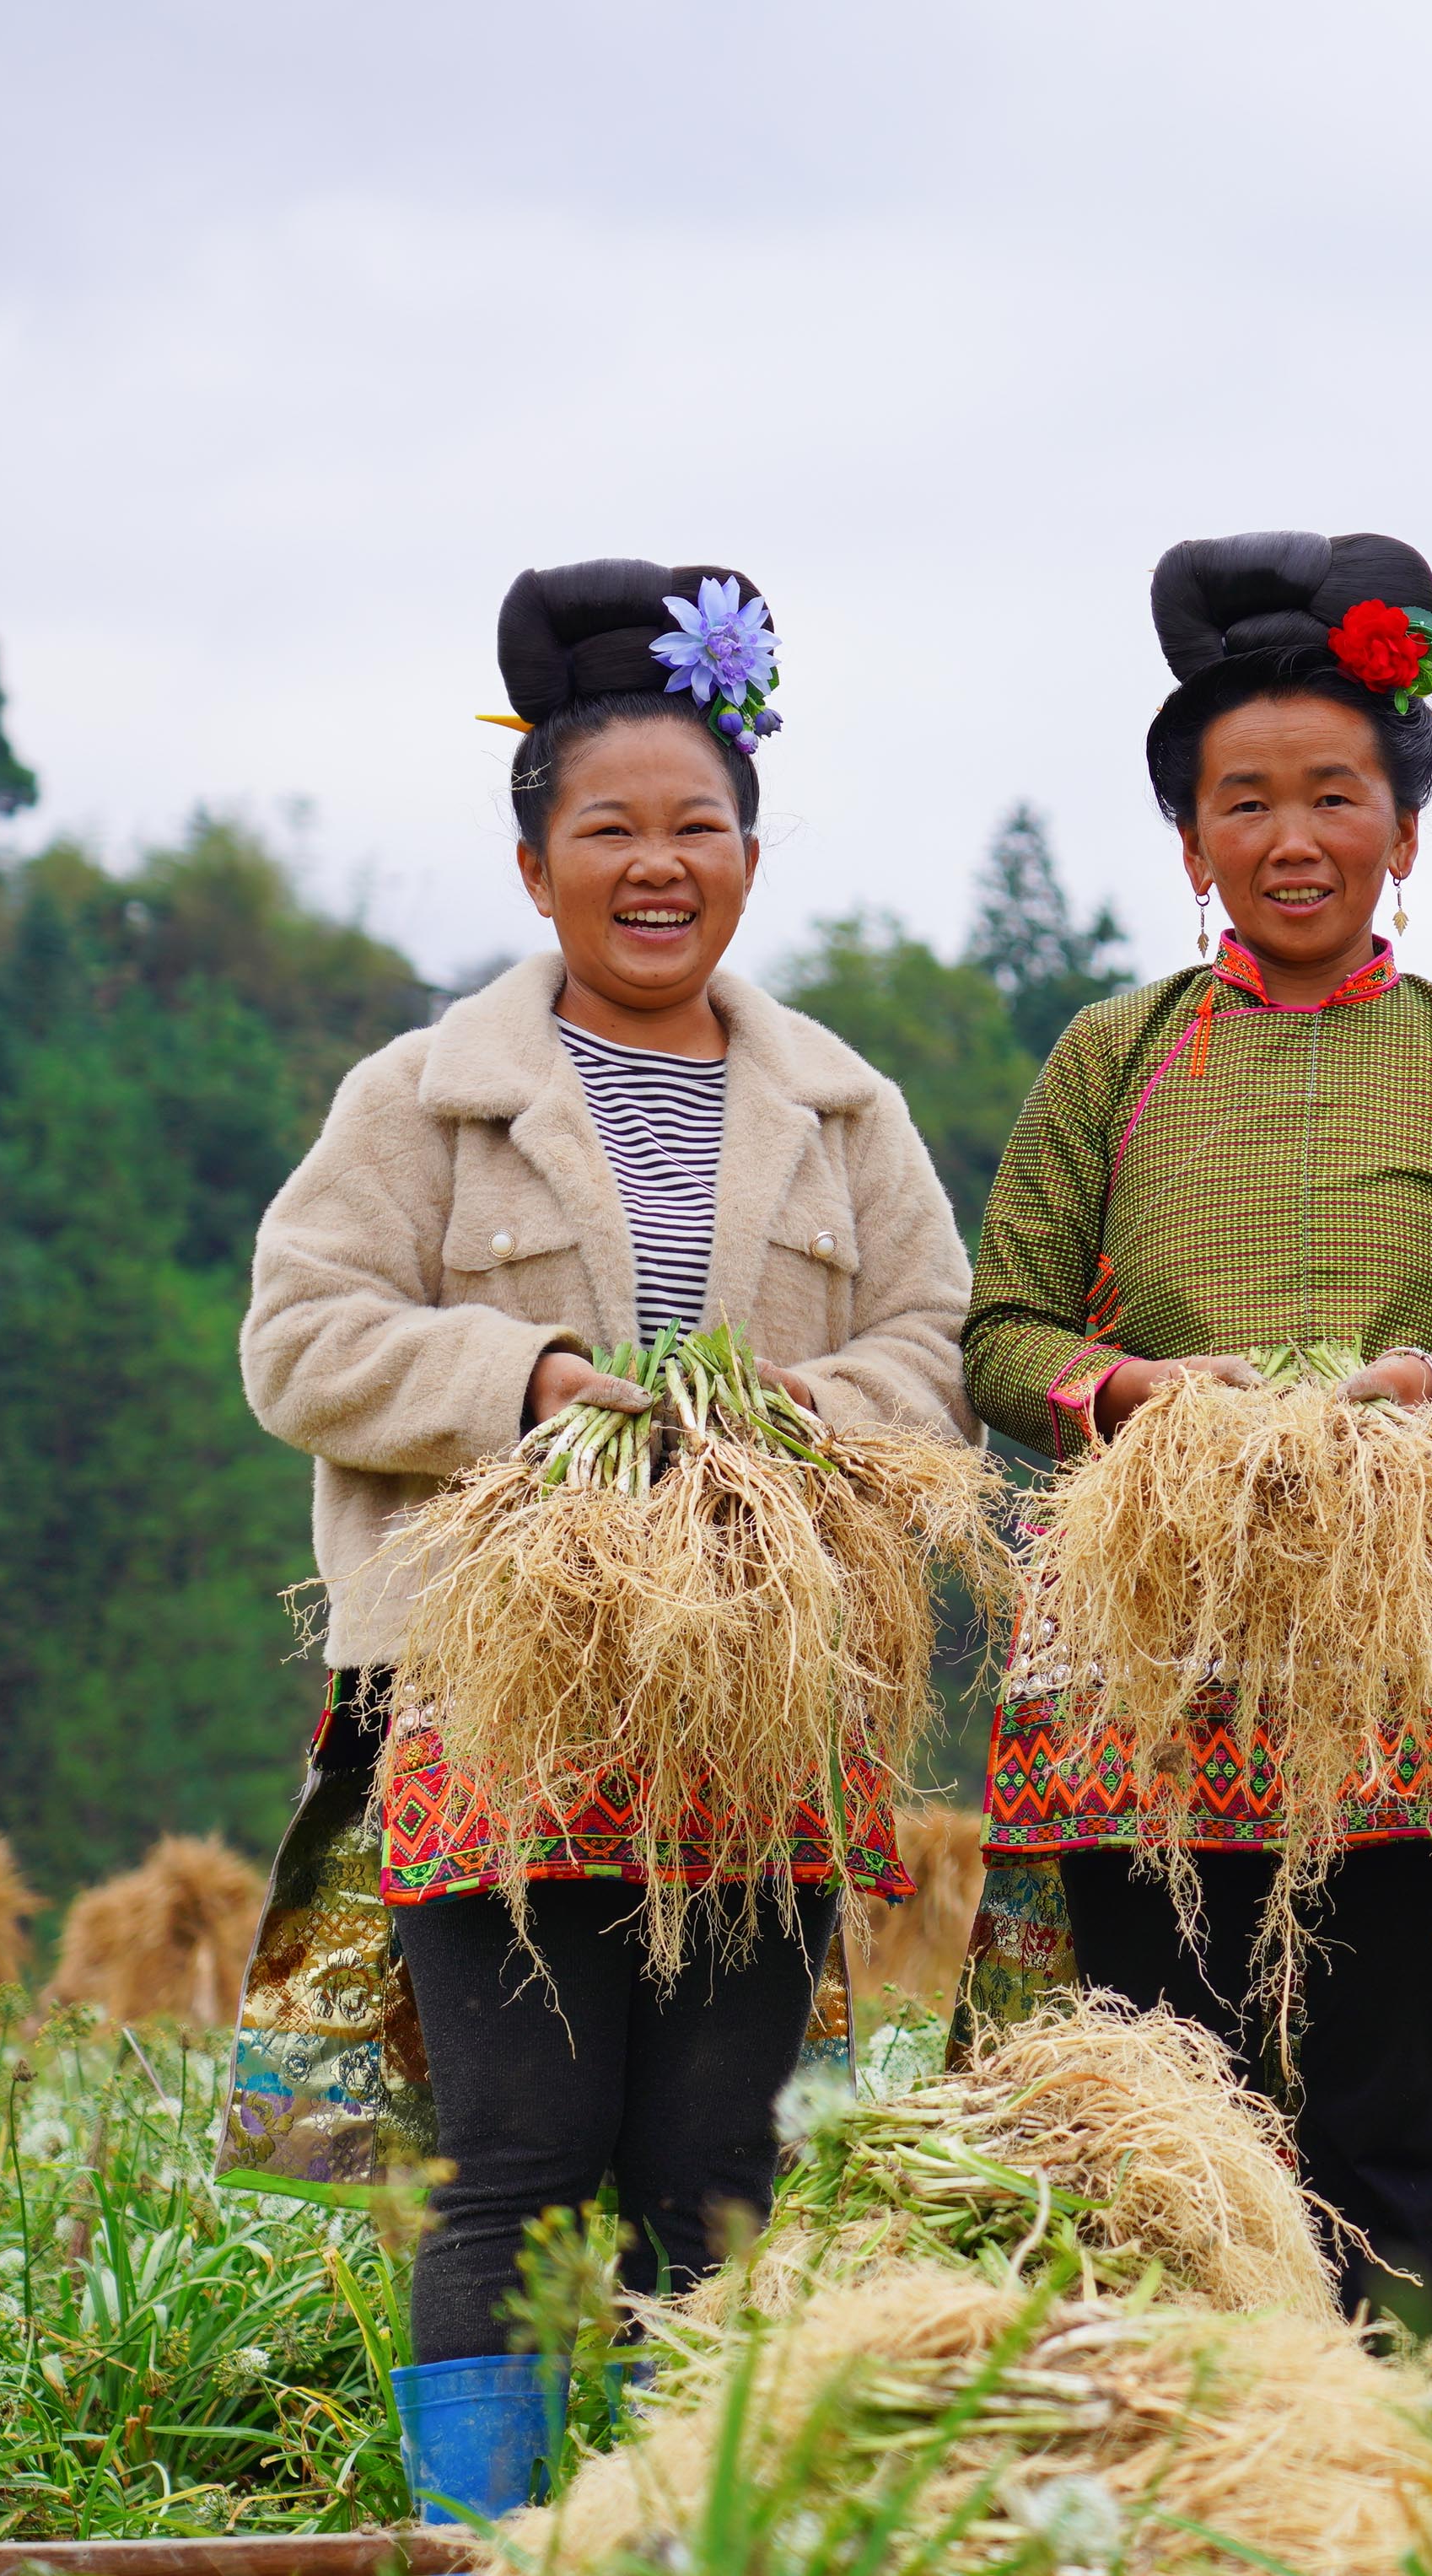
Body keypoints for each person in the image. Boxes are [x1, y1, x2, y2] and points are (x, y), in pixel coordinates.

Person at [237, 560, 972, 2509]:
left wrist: (799, 1416)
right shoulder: (425, 1097)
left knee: (714, 2164)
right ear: (532, 858)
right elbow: (299, 1341)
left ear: (748, 850)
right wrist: (537, 1381)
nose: (659, 868)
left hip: (751, 1702)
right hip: (499, 1699)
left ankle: (679, 2529)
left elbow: (935, 1346)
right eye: (609, 832)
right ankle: (493, 2542)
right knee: (516, 2151)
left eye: (697, 829)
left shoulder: (840, 1107)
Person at [956, 530, 1432, 2344]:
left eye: (1335, 793)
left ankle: (1379, 2484)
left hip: (1399, 1671)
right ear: (1190, 846)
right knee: (1163, 2120)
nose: (1293, 836)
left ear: (1402, 826)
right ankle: (1176, 2472)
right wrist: (1135, 1396)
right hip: (1147, 1662)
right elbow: (999, 1335)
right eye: (1244, 801)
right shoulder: (1114, 1053)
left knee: (1379, 2124)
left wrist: (1426, 1391)